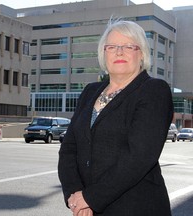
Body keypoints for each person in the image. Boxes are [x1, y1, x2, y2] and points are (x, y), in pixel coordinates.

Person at [58, 19, 173, 216]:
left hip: (136, 207)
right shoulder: (90, 91)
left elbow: (139, 157)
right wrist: (75, 195)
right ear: (104, 53)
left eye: (128, 46)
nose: (119, 52)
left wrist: (90, 198)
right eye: (111, 46)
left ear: (142, 54)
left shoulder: (154, 90)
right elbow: (69, 149)